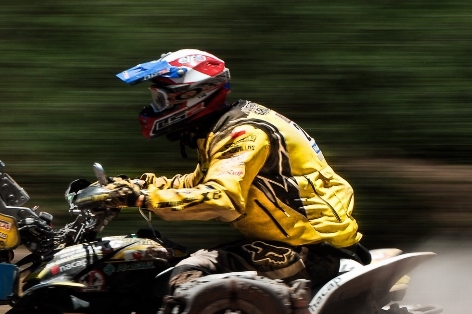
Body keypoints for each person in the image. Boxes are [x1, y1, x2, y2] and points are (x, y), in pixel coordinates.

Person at [111, 49, 369, 291]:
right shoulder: (225, 127)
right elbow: (197, 184)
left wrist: (140, 198)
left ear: (194, 95)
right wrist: (134, 186)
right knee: (171, 263)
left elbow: (221, 199)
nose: (155, 108)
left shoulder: (243, 133)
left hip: (314, 251)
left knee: (184, 279)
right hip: (294, 244)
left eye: (161, 99)